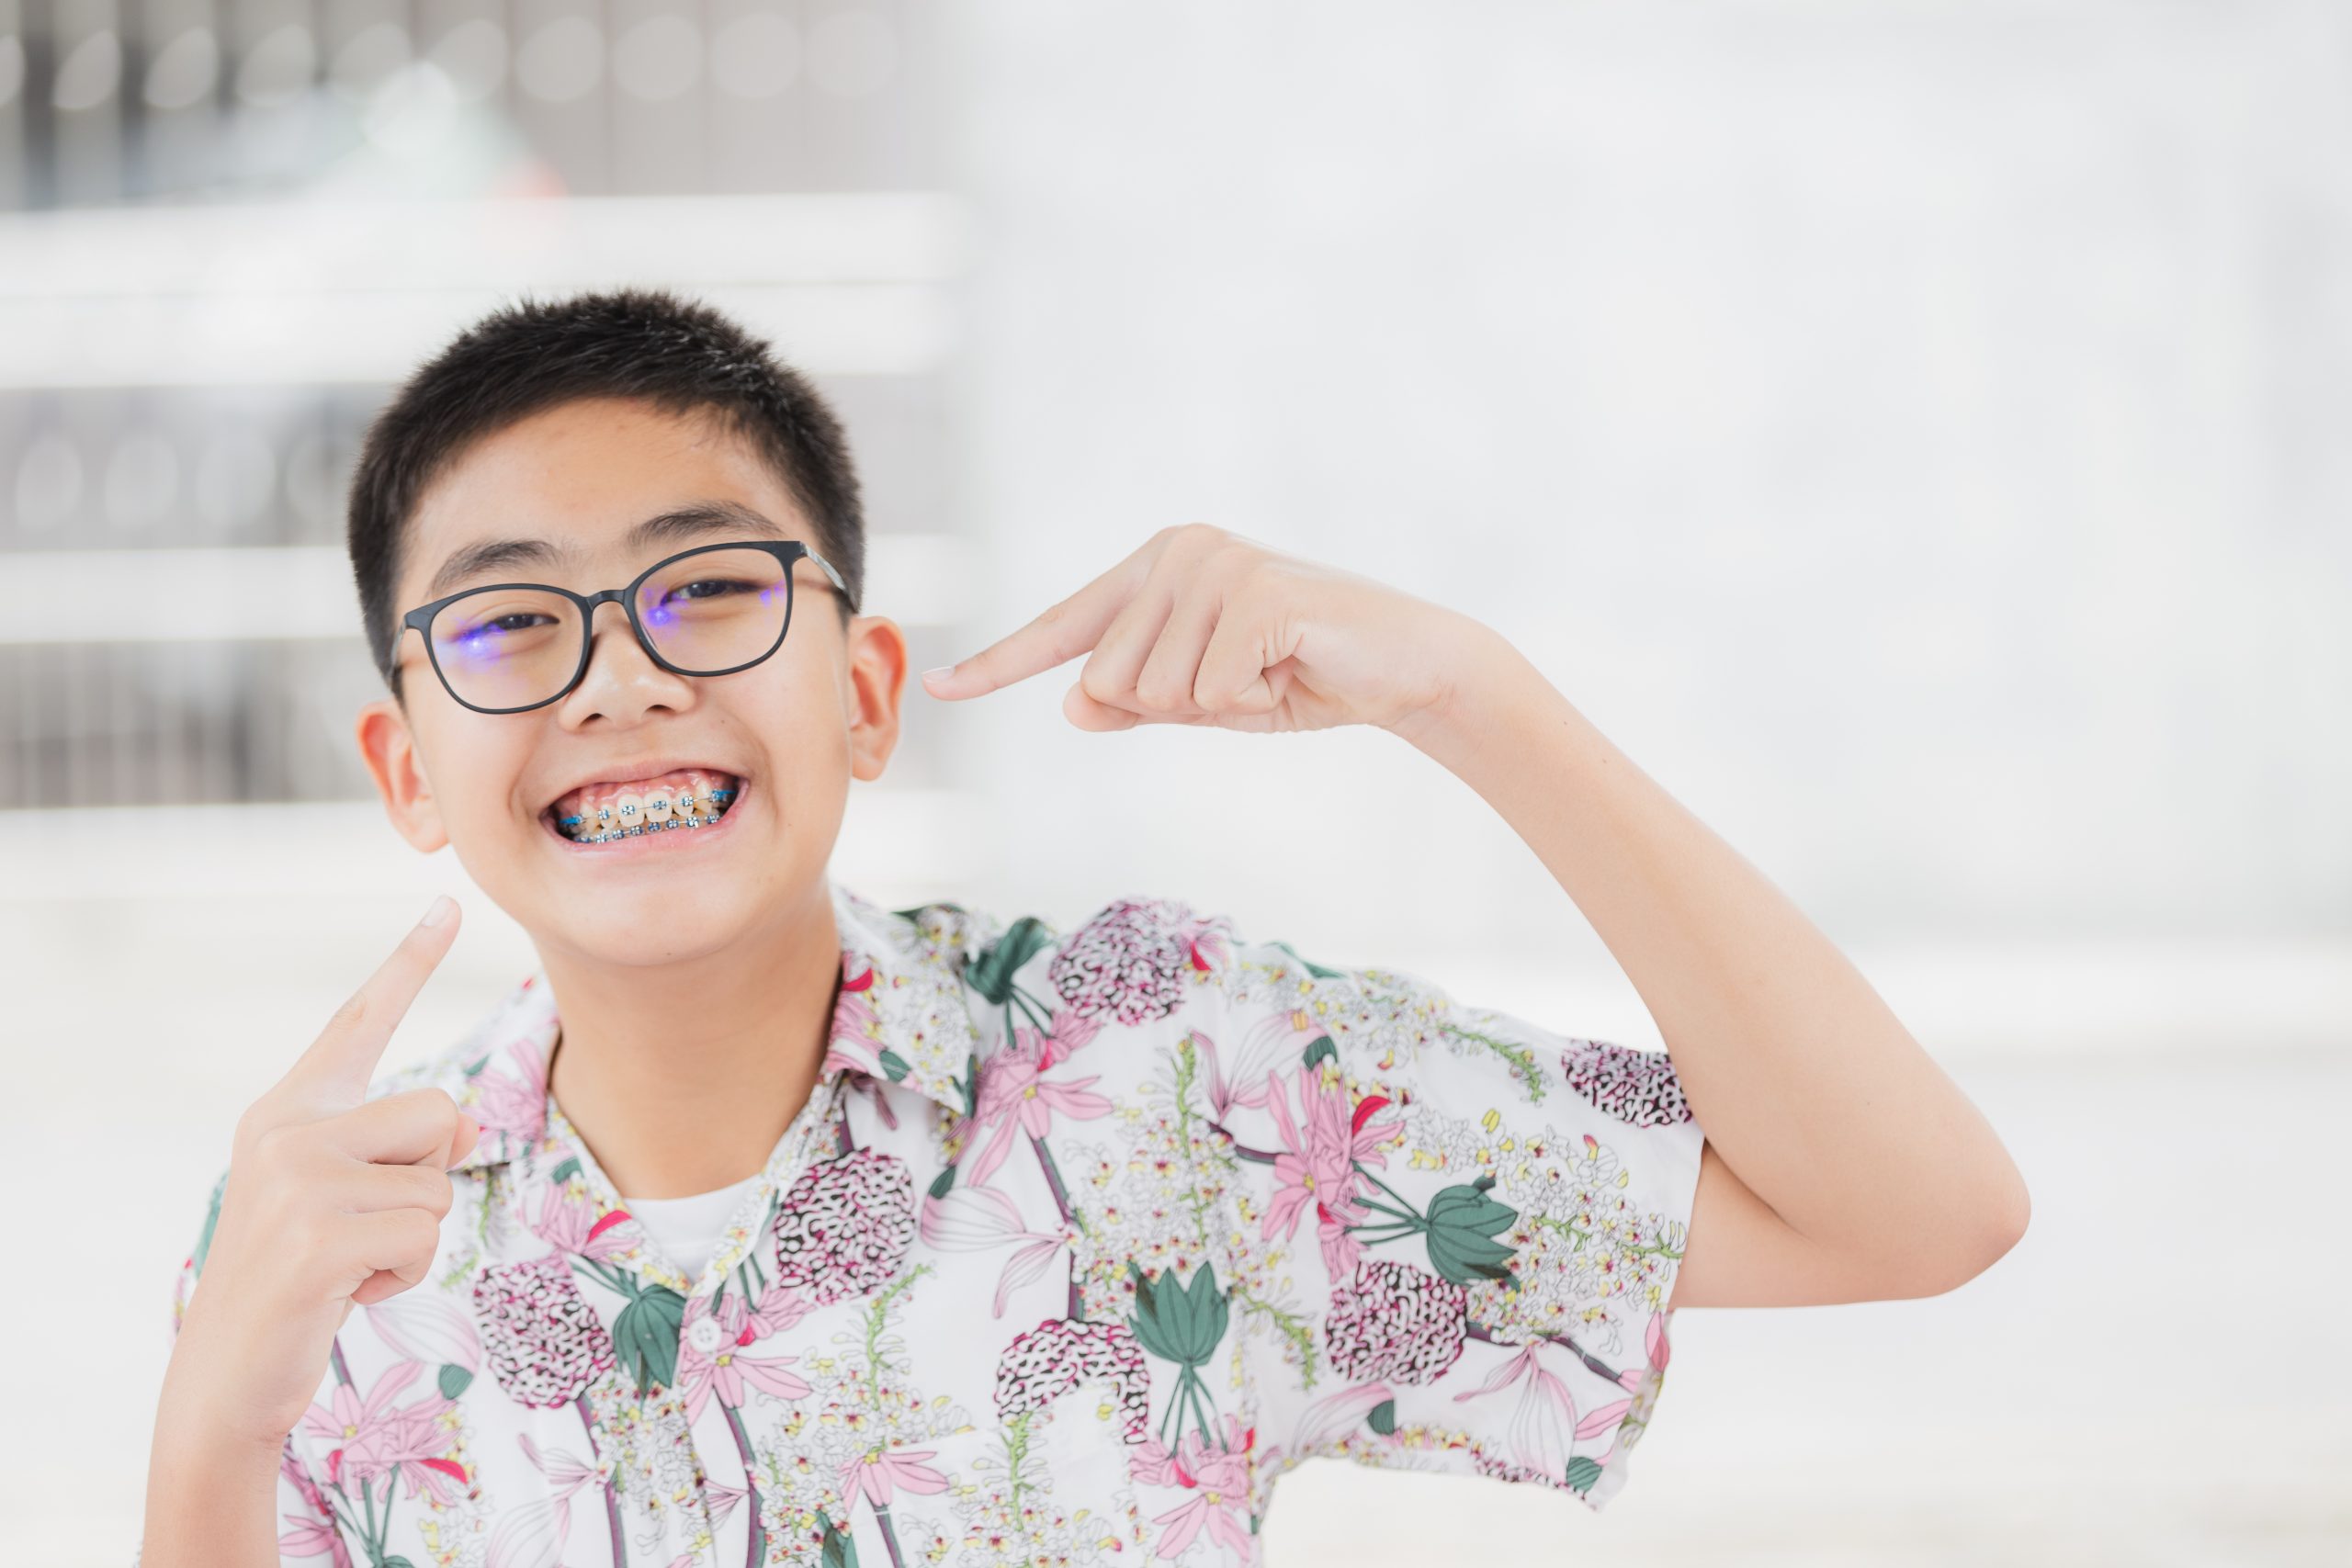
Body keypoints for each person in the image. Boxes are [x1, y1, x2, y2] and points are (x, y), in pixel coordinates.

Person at [138, 287, 2030, 1567]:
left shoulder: (1165, 1070)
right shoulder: (325, 1233)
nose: (620, 683)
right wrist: (213, 1430)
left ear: (865, 689)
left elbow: (1911, 1205)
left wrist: (1469, 691)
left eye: (707, 591)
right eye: (507, 622)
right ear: (406, 762)